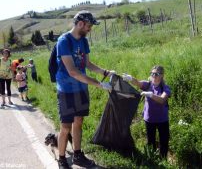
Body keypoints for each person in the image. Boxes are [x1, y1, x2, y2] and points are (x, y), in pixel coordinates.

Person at [56, 10, 114, 169]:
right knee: (66, 127)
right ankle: (61, 159)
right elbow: (73, 71)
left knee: (79, 122)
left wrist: (104, 72)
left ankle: (77, 155)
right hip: (66, 90)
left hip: (81, 88)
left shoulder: (84, 41)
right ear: (80, 24)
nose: (90, 29)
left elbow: (87, 64)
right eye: (89, 25)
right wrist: (98, 84)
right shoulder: (64, 41)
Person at [122, 65, 171, 159]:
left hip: (162, 120)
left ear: (161, 76)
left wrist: (151, 95)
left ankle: (163, 159)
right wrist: (130, 78)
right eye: (152, 73)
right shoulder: (148, 84)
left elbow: (162, 100)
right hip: (149, 119)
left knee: (164, 142)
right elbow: (138, 83)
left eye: (156, 74)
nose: (153, 75)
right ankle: (152, 160)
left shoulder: (165, 88)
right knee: (150, 141)